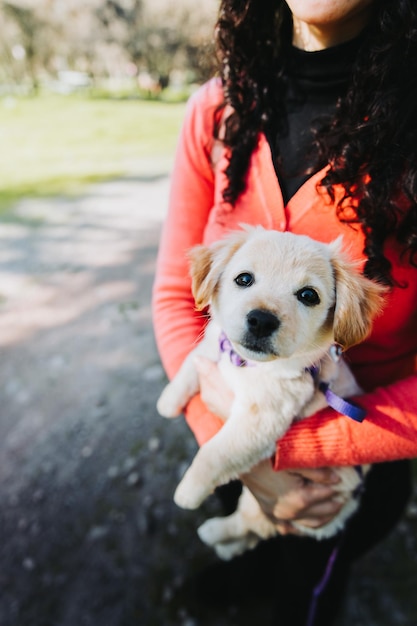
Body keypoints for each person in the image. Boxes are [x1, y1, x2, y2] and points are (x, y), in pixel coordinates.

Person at [152, 1, 417, 624]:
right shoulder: (217, 109)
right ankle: (249, 566)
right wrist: (229, 448)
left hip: (347, 471)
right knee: (250, 548)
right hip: (226, 427)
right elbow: (175, 293)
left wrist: (295, 453)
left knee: (304, 599)